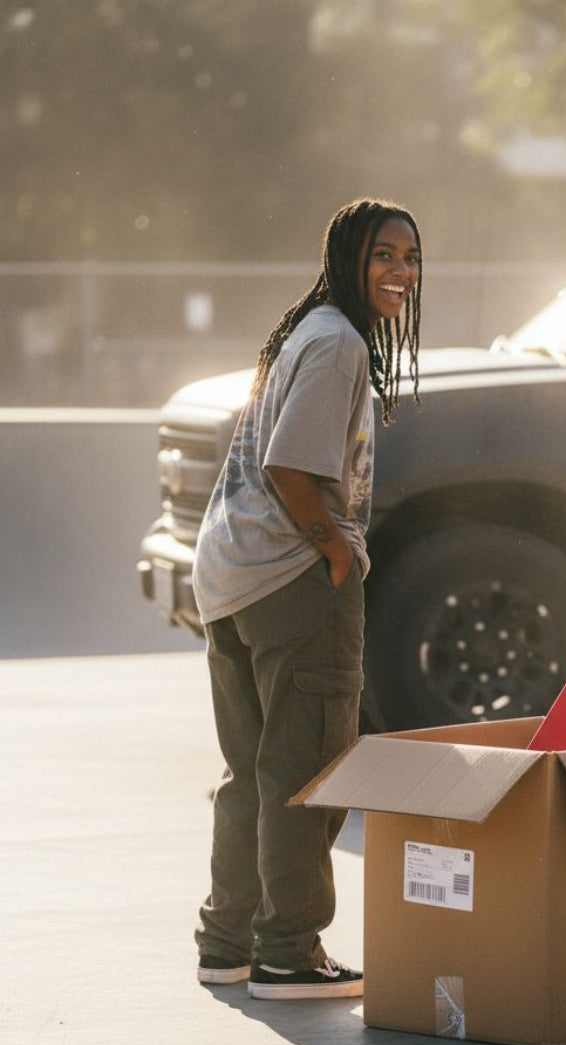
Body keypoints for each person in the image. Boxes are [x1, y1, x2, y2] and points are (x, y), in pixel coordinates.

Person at [191, 197, 422, 999]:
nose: (401, 272)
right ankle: (289, 951)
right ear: (348, 258)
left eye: (411, 258)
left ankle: (228, 943)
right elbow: (293, 468)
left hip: (231, 571)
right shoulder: (337, 343)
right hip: (289, 577)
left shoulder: (309, 330)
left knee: (252, 770)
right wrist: (335, 551)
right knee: (308, 769)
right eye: (384, 255)